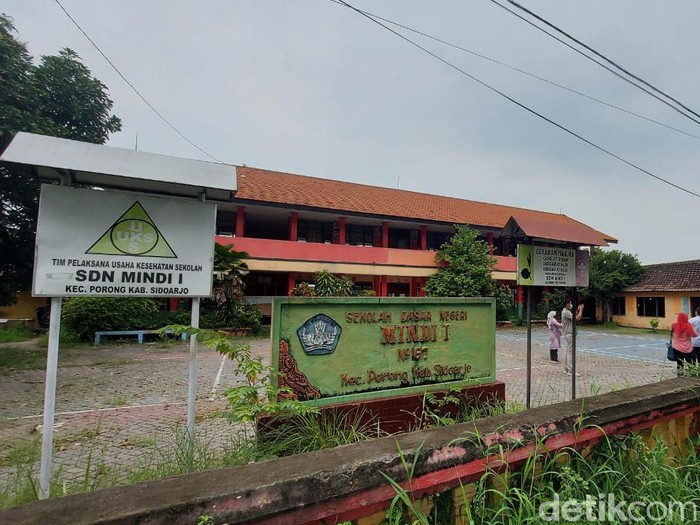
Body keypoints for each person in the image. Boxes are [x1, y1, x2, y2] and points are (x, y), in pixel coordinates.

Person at [562, 300, 584, 375]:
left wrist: (577, 310)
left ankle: (566, 368)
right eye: (570, 303)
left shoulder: (567, 312)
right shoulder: (566, 312)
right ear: (566, 304)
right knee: (570, 352)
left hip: (568, 333)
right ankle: (571, 370)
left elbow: (574, 316)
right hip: (569, 334)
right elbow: (578, 318)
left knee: (567, 351)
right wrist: (581, 310)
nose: (571, 304)